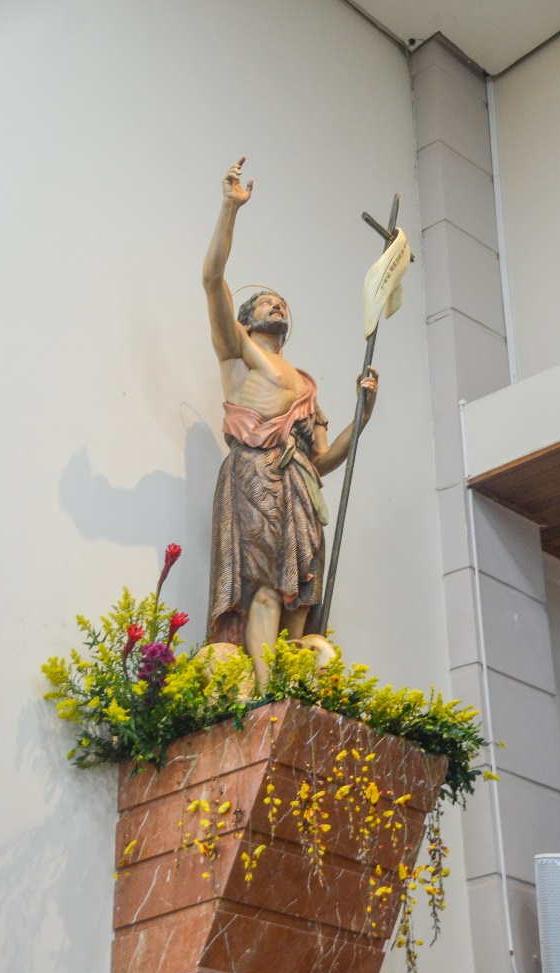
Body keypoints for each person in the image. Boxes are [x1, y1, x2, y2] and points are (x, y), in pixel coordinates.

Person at [203, 157, 378, 681]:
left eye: (281, 303)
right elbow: (212, 279)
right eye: (265, 302)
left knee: (298, 591)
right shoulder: (238, 354)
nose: (276, 306)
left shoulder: (305, 384)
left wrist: (363, 415)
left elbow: (321, 459)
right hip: (256, 474)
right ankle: (263, 688)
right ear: (245, 319)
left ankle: (292, 677)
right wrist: (230, 208)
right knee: (264, 585)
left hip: (300, 485)